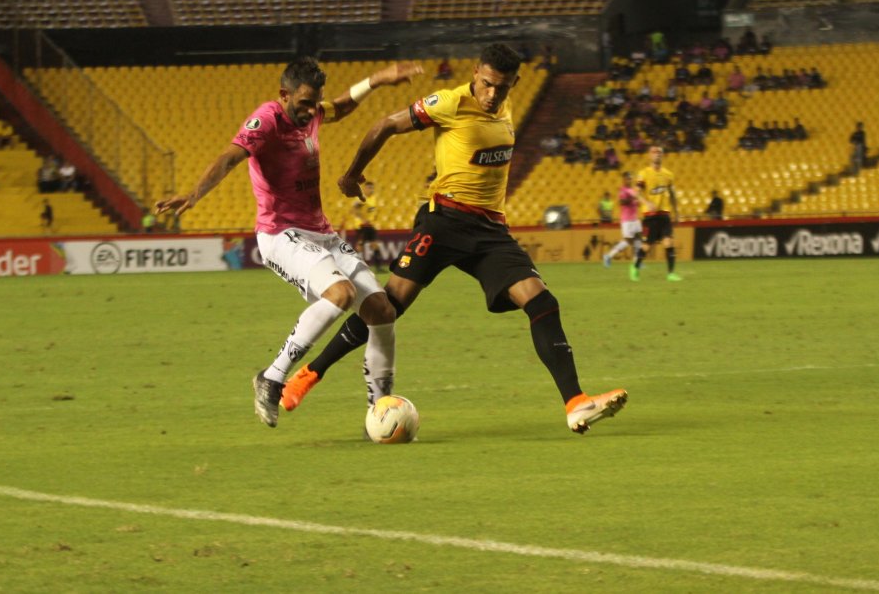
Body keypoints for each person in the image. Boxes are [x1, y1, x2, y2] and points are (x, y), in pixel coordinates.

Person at [285, 44, 628, 435]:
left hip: (490, 231)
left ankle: (575, 404)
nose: (492, 94)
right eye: (485, 84)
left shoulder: (505, 108)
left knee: (542, 302)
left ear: (514, 83)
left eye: (501, 87)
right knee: (388, 307)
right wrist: (350, 176)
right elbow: (384, 126)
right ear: (475, 72)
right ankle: (309, 374)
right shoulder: (449, 102)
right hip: (443, 221)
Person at [154, 58, 420, 428]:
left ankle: (379, 408)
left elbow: (340, 108)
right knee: (340, 294)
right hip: (280, 234)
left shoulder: (310, 113)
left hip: (320, 233)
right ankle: (273, 377)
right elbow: (230, 157)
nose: (312, 110)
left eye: (316, 103)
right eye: (305, 102)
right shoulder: (267, 121)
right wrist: (194, 194)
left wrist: (377, 79)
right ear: (284, 95)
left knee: (382, 311)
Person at [632, 145, 681, 282]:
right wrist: (646, 203)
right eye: (654, 152)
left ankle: (671, 274)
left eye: (659, 152)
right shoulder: (644, 173)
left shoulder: (668, 174)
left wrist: (676, 212)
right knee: (646, 246)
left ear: (662, 155)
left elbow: (672, 194)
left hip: (664, 213)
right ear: (649, 155)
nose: (657, 154)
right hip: (650, 215)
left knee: (668, 242)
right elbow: (636, 192)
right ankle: (635, 268)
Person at [601, 171, 643, 268]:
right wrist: (633, 199)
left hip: (635, 218)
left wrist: (637, 202)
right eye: (629, 178)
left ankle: (637, 262)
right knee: (628, 241)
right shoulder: (623, 190)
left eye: (631, 178)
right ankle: (608, 256)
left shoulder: (632, 190)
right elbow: (622, 202)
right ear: (624, 179)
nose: (630, 180)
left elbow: (636, 202)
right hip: (627, 220)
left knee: (638, 239)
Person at [348, 179, 382, 271]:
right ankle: (353, 265)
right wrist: (364, 219)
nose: (371, 190)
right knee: (360, 246)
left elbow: (373, 212)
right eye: (369, 188)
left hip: (370, 226)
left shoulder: (374, 198)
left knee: (375, 245)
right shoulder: (360, 198)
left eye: (372, 188)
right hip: (361, 226)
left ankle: (378, 267)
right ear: (365, 188)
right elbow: (355, 210)